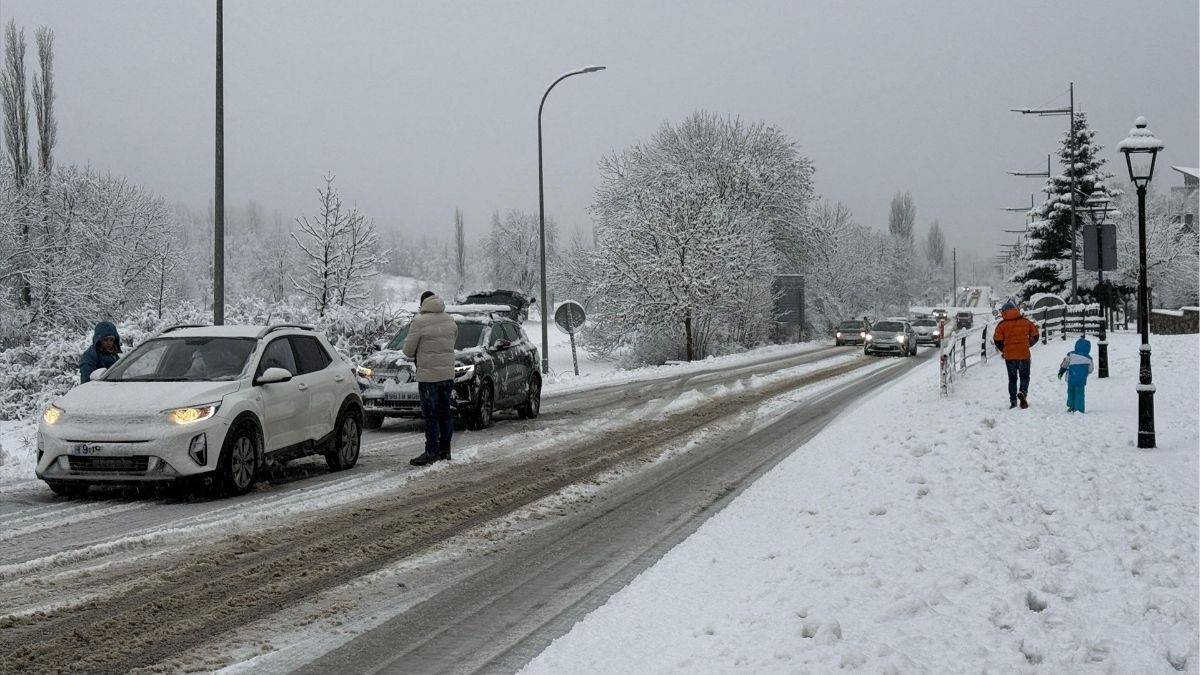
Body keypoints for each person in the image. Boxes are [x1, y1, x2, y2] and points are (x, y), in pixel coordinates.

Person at [403, 291, 458, 466]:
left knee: (431, 415)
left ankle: (431, 451)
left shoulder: (419, 322)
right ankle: (445, 450)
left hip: (428, 377)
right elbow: (452, 342)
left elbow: (408, 351)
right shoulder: (450, 320)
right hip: (447, 375)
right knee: (445, 412)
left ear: (423, 304)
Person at [992, 300, 1040, 409]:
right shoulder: (1026, 322)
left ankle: (1013, 400)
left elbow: (997, 340)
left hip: (1010, 356)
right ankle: (1022, 392)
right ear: (1016, 310)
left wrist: (1004, 350)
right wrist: (1028, 344)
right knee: (1024, 377)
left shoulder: (1002, 325)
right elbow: (1036, 335)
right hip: (1024, 354)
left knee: (1012, 379)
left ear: (1004, 312)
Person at [1058, 336, 1095, 413]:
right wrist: (1085, 373)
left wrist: (1061, 371)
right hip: (1081, 379)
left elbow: (1065, 363)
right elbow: (1090, 369)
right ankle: (1079, 409)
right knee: (1080, 393)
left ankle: (1071, 405)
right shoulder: (1089, 358)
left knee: (1071, 391)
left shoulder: (1071, 354)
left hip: (1072, 377)